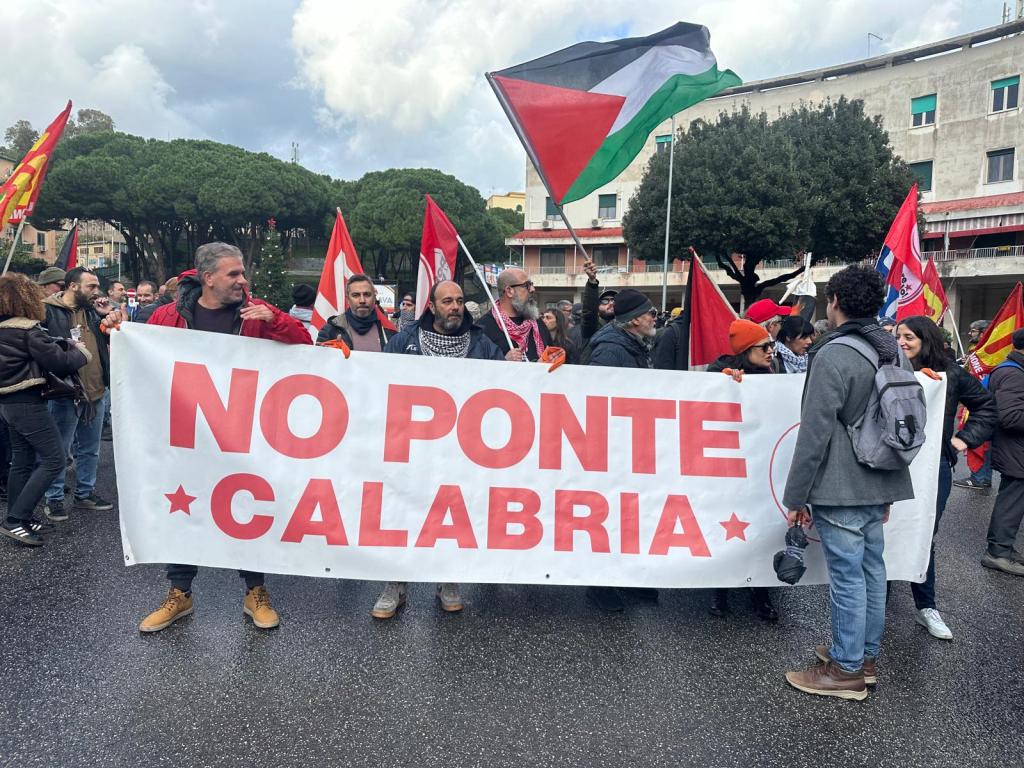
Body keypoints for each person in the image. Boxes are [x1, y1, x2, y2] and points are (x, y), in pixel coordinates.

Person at [106, 242, 311, 633]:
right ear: (208, 278)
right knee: (183, 509)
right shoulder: (169, 316)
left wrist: (274, 322)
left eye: (243, 273)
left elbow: (306, 347)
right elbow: (139, 355)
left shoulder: (257, 312)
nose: (242, 281)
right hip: (187, 436)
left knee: (247, 510)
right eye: (233, 274)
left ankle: (256, 591)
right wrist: (118, 330)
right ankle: (179, 593)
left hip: (243, 436)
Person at [783, 265, 915, 701]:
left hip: (841, 483)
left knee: (847, 576)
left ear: (834, 301)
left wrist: (796, 494)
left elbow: (815, 430)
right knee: (872, 569)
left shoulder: (834, 353)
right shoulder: (892, 349)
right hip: (882, 476)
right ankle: (865, 656)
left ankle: (846, 670)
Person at [371, 280, 513, 619]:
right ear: (432, 306)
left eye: (460, 301)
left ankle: (447, 580)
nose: (455, 307)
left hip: (461, 451)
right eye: (447, 301)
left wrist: (513, 366)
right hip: (412, 447)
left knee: (451, 518)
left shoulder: (481, 343)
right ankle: (395, 584)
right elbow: (378, 381)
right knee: (402, 516)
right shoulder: (404, 342)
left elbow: (505, 388)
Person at [895, 316, 996, 638]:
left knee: (923, 534)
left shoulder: (951, 375)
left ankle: (926, 607)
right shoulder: (886, 370)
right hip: (888, 466)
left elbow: (986, 408)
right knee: (881, 530)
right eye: (898, 336)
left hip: (933, 467)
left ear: (927, 339)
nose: (902, 342)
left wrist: (962, 440)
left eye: (909, 336)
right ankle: (875, 596)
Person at [0, 274, 89, 547]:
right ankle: (15, 520)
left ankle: (20, 516)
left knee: (23, 460)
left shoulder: (5, 329)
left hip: (8, 405)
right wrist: (82, 352)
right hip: (28, 403)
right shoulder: (28, 331)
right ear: (26, 299)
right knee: (54, 459)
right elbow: (60, 362)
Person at [585, 288, 658, 611]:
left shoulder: (633, 345)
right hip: (609, 448)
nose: (655, 317)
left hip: (627, 444)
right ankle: (599, 585)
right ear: (635, 321)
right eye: (651, 312)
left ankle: (626, 580)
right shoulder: (610, 351)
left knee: (626, 515)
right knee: (608, 516)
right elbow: (599, 402)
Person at [706, 319, 779, 621]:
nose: (771, 351)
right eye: (764, 347)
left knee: (759, 530)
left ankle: (760, 594)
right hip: (728, 466)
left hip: (760, 465)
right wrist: (723, 382)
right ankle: (719, 593)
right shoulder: (722, 371)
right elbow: (704, 395)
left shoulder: (774, 375)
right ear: (747, 350)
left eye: (772, 345)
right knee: (725, 530)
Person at [41, 267, 113, 521]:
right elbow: (41, 347)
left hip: (96, 390)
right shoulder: (47, 310)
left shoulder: (94, 311)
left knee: (90, 448)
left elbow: (113, 337)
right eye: (91, 287)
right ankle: (54, 499)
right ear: (73, 286)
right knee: (59, 449)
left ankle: (85, 493)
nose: (97, 291)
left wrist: (108, 318)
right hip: (65, 392)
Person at [981, 328, 1024, 577]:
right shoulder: (1013, 374)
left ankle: (1003, 547)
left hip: (1015, 449)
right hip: (1016, 449)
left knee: (1014, 500)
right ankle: (997, 553)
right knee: (1012, 501)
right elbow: (1010, 416)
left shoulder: (1011, 370)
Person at [478, 267, 550, 361]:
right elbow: (477, 370)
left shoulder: (537, 322)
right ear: (509, 291)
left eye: (531, 284)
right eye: (526, 285)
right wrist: (503, 361)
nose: (532, 289)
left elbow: (551, 352)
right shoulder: (483, 328)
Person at [317, 274, 393, 351]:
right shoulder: (331, 330)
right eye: (356, 295)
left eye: (367, 295)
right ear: (348, 299)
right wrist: (330, 354)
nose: (362, 300)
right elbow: (319, 360)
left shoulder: (389, 331)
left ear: (374, 297)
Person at [579, 259, 616, 352]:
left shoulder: (624, 327)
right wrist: (592, 281)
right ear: (597, 306)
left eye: (614, 300)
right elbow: (589, 313)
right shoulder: (592, 326)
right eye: (605, 301)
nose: (611, 303)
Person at [652, 306, 688, 371]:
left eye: (674, 316)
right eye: (672, 316)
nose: (671, 318)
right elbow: (662, 366)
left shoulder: (670, 330)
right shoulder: (671, 331)